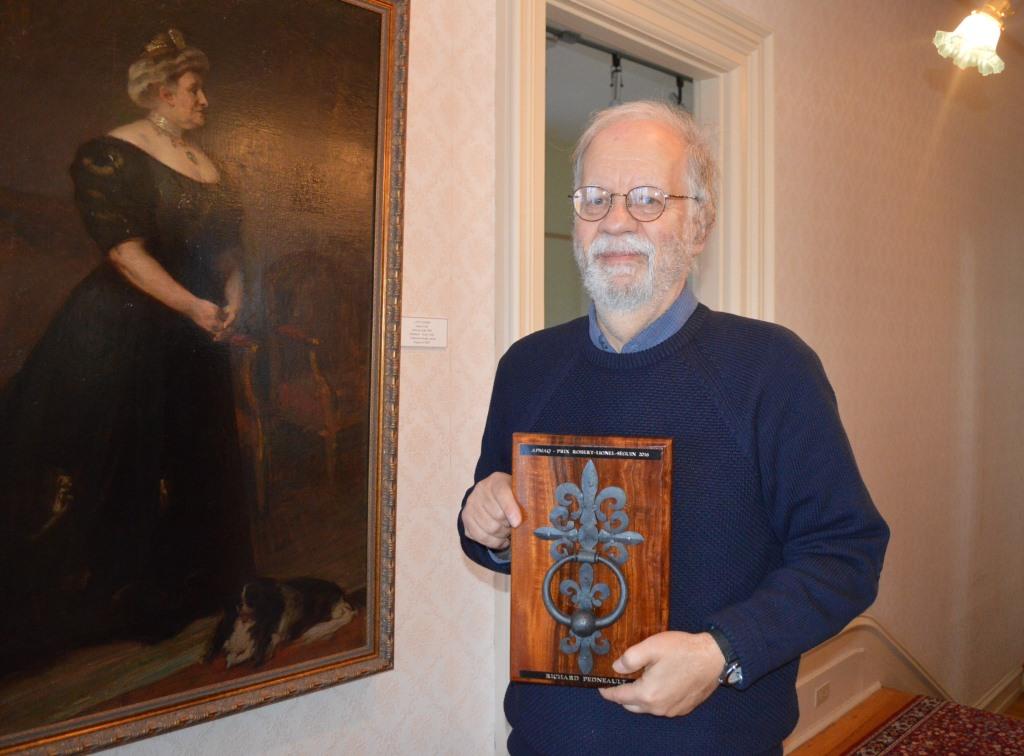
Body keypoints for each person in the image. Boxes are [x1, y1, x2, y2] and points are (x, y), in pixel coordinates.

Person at [458, 100, 890, 755]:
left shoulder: (772, 369)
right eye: (595, 198)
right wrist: (482, 521)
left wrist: (722, 652)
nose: (617, 221)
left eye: (649, 199)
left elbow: (847, 555)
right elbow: (496, 526)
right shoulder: (527, 366)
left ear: (699, 225)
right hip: (546, 741)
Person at [0, 29, 251, 673]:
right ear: (162, 93)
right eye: (194, 89)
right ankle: (115, 601)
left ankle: (189, 589)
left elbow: (226, 248)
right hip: (126, 329)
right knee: (122, 457)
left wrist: (232, 294)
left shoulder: (208, 161)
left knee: (194, 450)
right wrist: (193, 307)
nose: (204, 100)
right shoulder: (112, 154)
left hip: (195, 333)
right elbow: (125, 253)